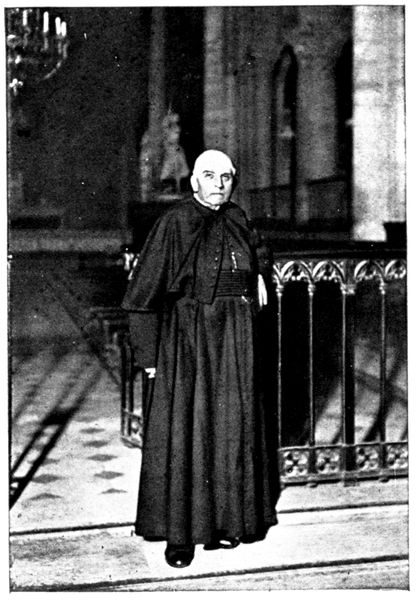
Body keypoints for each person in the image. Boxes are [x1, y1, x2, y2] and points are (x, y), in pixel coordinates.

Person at [122, 149, 279, 568]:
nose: (218, 184)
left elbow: (259, 252)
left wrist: (259, 276)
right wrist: (149, 357)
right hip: (191, 340)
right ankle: (182, 537)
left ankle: (226, 523)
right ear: (194, 182)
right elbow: (141, 296)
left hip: (236, 337)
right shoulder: (174, 222)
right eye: (209, 176)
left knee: (230, 427)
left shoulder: (238, 217)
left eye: (226, 177)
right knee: (189, 432)